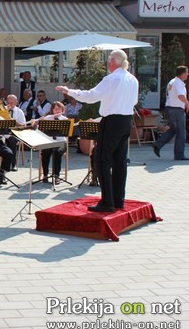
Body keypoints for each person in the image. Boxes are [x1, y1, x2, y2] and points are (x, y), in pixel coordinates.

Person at [56, 49, 139, 212]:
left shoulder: (112, 78)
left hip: (112, 121)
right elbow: (134, 101)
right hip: (125, 120)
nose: (107, 63)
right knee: (120, 161)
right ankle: (118, 200)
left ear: (114, 61)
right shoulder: (132, 79)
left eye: (109, 60)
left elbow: (91, 96)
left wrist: (70, 91)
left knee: (101, 159)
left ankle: (107, 201)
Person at [153, 65, 189, 161]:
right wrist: (187, 102)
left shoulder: (172, 81)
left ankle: (157, 144)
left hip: (170, 108)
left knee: (173, 130)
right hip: (176, 110)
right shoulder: (178, 83)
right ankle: (179, 155)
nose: (188, 74)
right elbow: (180, 95)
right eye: (187, 72)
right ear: (182, 73)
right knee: (181, 132)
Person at [38, 101, 68, 184]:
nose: (57, 110)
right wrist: (42, 119)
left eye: (59, 109)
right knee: (45, 152)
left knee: (57, 153)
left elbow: (68, 134)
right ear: (52, 110)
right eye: (55, 109)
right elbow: (39, 124)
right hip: (49, 142)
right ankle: (45, 174)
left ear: (62, 110)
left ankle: (56, 176)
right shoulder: (48, 118)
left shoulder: (65, 120)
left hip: (61, 142)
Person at [5, 94, 26, 171]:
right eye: (8, 103)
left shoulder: (19, 112)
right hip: (4, 132)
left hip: (14, 132)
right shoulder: (3, 110)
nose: (9, 105)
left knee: (12, 141)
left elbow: (23, 125)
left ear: (16, 102)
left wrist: (14, 122)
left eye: (11, 103)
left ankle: (13, 163)